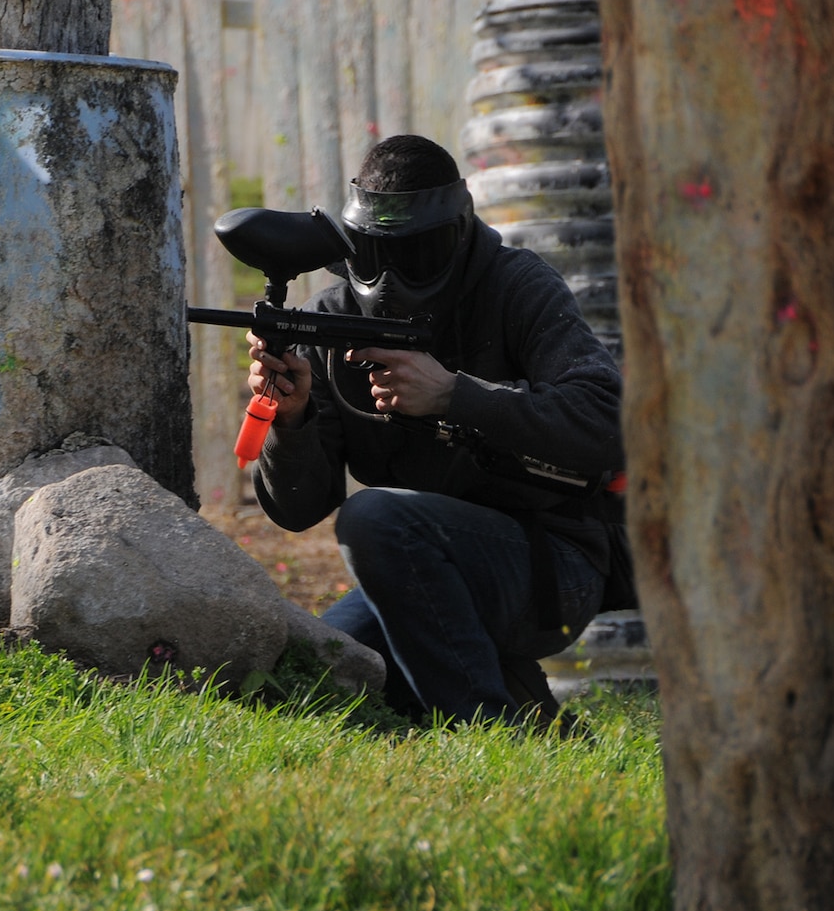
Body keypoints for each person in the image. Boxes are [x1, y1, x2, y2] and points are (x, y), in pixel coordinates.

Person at [247, 134, 628, 728]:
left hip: (547, 569)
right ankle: (522, 707)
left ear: (459, 233)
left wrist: (456, 394)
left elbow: (608, 421)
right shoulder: (331, 321)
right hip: (413, 572)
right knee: (312, 680)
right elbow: (296, 510)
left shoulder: (515, 287)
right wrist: (293, 419)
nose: (394, 280)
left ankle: (488, 734)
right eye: (374, 256)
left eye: (419, 255)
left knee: (375, 518)